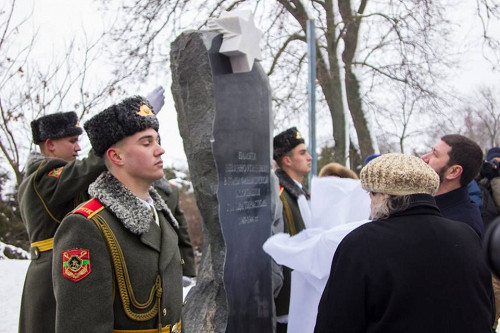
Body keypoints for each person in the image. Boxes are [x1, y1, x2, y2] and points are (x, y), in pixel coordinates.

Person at [315, 153, 495, 333]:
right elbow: (487, 311)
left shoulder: (361, 243)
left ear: (384, 195)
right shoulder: (468, 236)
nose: (369, 204)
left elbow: (335, 323)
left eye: (371, 194)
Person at [52, 96, 183, 332]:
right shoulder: (87, 227)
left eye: (157, 141)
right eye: (147, 143)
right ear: (116, 156)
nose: (160, 150)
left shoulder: (161, 214)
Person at [17, 111, 106, 333]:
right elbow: (87, 168)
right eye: (72, 141)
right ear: (50, 144)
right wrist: (124, 127)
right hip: (52, 274)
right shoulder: (44, 177)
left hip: (61, 266)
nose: (78, 148)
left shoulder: (56, 178)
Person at [272, 126, 311, 332]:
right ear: (287, 160)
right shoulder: (279, 195)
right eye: (303, 153)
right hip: (288, 300)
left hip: (303, 294)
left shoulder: (300, 194)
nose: (310, 158)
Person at [421, 134, 484, 238]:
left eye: (435, 154)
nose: (424, 157)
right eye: (431, 150)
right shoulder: (426, 203)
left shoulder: (463, 227)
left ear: (454, 171)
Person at [153, 177, 197, 280]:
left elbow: (180, 231)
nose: (158, 159)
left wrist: (186, 269)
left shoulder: (170, 191)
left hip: (167, 274)